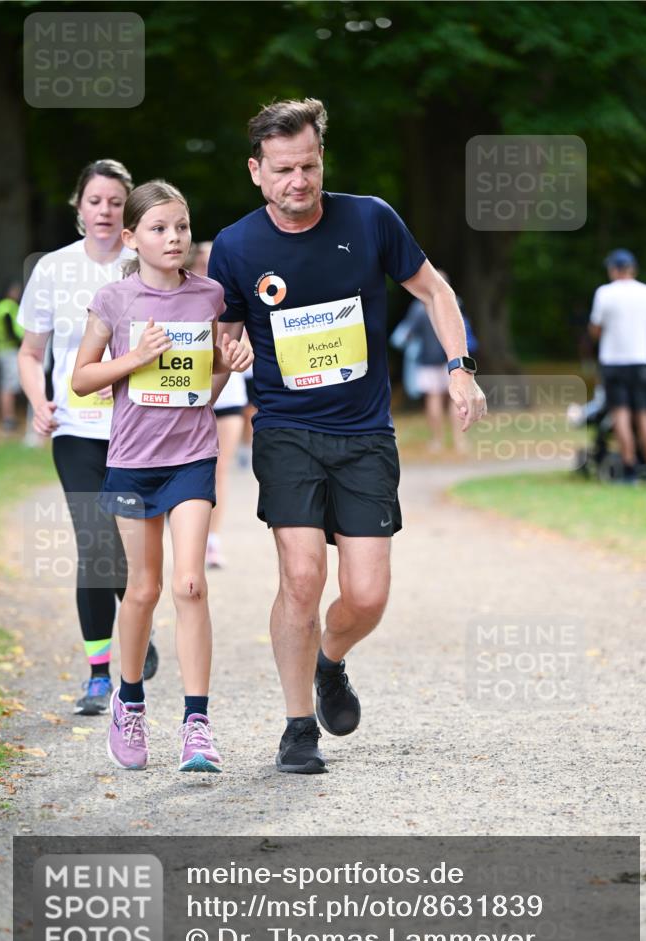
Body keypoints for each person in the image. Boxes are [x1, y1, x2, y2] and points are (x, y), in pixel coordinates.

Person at [210, 98, 486, 775]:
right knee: (301, 577)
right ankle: (296, 724)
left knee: (365, 596)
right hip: (286, 429)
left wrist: (458, 368)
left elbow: (435, 292)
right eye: (281, 170)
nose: (297, 181)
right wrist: (227, 357)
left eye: (307, 165)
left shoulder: (369, 219)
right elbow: (217, 346)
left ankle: (330, 660)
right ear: (255, 171)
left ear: (321, 159)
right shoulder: (236, 247)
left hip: (364, 434)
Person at [72, 180, 253, 772]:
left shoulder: (210, 297)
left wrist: (226, 367)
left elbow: (204, 390)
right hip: (131, 462)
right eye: (158, 228)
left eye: (181, 226)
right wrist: (135, 359)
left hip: (192, 459)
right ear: (132, 237)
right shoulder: (115, 300)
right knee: (144, 589)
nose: (173, 237)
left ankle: (197, 726)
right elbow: (83, 379)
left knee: (190, 585)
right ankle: (129, 702)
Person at [18, 160, 161, 717]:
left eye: (115, 201)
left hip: (136, 432)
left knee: (129, 550)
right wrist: (39, 401)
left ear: (129, 211)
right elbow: (33, 353)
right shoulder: (53, 270)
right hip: (76, 431)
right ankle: (100, 674)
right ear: (79, 207)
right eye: (95, 200)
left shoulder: (143, 270)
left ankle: (137, 623)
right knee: (95, 546)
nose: (104, 211)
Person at [188, 239, 248, 568]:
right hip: (187, 394)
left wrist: (242, 353)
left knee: (219, 470)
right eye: (205, 259)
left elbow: (249, 346)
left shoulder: (238, 295)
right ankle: (187, 530)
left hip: (230, 394)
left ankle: (212, 541)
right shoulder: (183, 294)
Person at [589, 248, 646, 483]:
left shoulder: (604, 293)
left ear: (614, 270)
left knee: (621, 414)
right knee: (644, 413)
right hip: (641, 361)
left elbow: (596, 329)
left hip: (614, 362)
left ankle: (628, 467)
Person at [391, 270, 478, 455]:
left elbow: (405, 335)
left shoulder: (418, 308)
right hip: (452, 360)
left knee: (433, 399)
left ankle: (437, 441)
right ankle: (459, 441)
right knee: (457, 401)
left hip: (426, 361)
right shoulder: (454, 303)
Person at [0, 281, 24, 431]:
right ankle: (8, 418)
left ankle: (8, 417)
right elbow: (11, 331)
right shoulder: (8, 307)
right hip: (9, 351)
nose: (17, 294)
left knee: (4, 385)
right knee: (9, 386)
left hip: (0, 350)